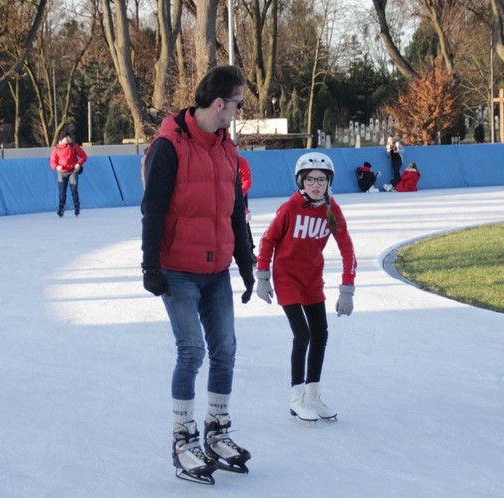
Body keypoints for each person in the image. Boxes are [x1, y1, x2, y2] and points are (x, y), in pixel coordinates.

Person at [140, 65, 255, 485]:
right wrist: (150, 264)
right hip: (178, 270)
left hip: (217, 270)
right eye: (238, 103)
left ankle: (217, 431)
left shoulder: (228, 148)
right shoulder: (168, 147)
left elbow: (235, 213)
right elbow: (152, 208)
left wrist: (246, 264)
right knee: (191, 351)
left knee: (225, 350)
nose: (240, 111)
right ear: (219, 103)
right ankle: (182, 439)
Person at [255, 151, 357, 423]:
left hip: (312, 279)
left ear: (329, 182)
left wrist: (347, 289)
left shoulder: (331, 209)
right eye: (310, 179)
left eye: (321, 180)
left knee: (320, 334)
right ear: (301, 181)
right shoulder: (289, 208)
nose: (316, 185)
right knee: (302, 334)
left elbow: (347, 248)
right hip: (287, 278)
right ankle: (296, 398)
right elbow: (268, 240)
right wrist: (263, 276)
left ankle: (313, 395)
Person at [49, 134, 87, 217]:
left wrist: (79, 164)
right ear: (61, 140)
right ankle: (61, 208)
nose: (68, 139)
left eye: (69, 137)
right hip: (62, 172)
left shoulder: (74, 146)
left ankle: (76, 206)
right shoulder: (57, 148)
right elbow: (52, 161)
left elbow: (83, 156)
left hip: (73, 171)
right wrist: (56, 166)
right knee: (62, 191)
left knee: (74, 190)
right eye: (65, 137)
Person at [238, 155, 257, 261]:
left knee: (243, 223)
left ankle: (249, 252)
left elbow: (247, 181)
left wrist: (238, 195)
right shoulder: (219, 159)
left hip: (239, 194)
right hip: (222, 194)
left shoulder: (241, 161)